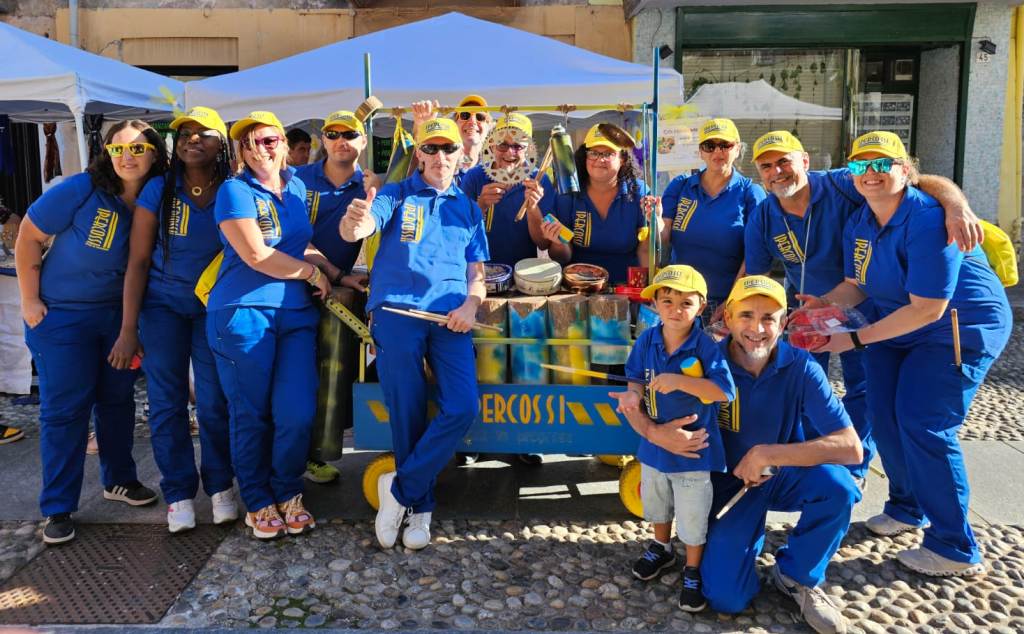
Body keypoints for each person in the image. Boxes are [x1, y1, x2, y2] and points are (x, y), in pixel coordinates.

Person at [806, 131, 1011, 577]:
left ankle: (954, 546)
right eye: (860, 165)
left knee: (924, 424)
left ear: (905, 170)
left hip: (954, 329)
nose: (870, 173)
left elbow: (928, 309)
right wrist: (822, 305)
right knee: (883, 416)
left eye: (882, 163)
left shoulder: (928, 219)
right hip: (893, 323)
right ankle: (906, 507)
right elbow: (856, 285)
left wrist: (853, 340)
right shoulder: (860, 221)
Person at [744, 130, 980, 485]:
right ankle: (815, 460)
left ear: (805, 161)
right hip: (814, 308)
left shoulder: (844, 182)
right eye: (766, 166)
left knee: (865, 389)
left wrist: (956, 204)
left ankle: (853, 466)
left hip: (869, 305)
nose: (776, 171)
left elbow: (915, 181)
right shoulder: (763, 215)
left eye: (784, 161)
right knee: (805, 383)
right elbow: (755, 275)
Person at [340, 117, 488, 551]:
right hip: (397, 312)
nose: (440, 156)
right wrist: (354, 224)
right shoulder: (395, 193)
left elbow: (477, 274)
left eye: (448, 148)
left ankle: (400, 490)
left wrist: (471, 305)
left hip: (450, 317)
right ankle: (420, 506)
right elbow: (362, 227)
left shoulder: (469, 207)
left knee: (462, 406)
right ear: (419, 153)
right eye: (432, 148)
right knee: (406, 409)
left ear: (460, 154)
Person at [16, 120, 167, 545]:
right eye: (118, 150)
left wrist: (132, 325)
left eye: (137, 149)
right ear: (106, 154)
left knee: (117, 401)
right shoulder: (82, 188)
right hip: (62, 317)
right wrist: (29, 300)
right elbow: (29, 236)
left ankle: (119, 480)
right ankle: (58, 505)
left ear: (155, 153)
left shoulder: (159, 195)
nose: (127, 157)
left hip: (118, 318)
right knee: (66, 410)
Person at [701, 275, 863, 634]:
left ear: (784, 322)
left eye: (768, 318)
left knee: (839, 487)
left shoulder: (802, 366)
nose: (757, 329)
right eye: (746, 315)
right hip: (727, 485)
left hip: (784, 473)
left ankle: (797, 576)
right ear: (727, 317)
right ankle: (744, 536)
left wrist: (768, 454)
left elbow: (851, 447)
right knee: (726, 598)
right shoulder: (706, 363)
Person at [109, 106, 237, 533]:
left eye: (203, 133)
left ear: (222, 144)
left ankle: (220, 485)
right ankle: (179, 492)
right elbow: (138, 260)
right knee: (167, 403)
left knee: (215, 401)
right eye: (184, 134)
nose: (192, 140)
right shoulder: (160, 188)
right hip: (162, 308)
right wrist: (129, 328)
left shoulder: (235, 188)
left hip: (213, 309)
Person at [208, 110, 331, 540]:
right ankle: (259, 499)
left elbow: (301, 243)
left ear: (284, 144)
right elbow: (256, 254)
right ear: (241, 151)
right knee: (251, 414)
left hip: (295, 315)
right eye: (251, 142)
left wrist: (333, 271)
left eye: (269, 140)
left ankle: (288, 490)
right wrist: (311, 274)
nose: (261, 148)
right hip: (243, 313)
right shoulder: (234, 190)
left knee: (296, 413)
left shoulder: (295, 187)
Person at [609, 265, 734, 612]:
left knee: (693, 514)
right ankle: (661, 547)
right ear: (655, 304)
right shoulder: (647, 339)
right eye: (667, 301)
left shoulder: (706, 346)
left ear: (701, 306)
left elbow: (725, 391)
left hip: (694, 448)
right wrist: (632, 396)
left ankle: (693, 569)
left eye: (685, 303)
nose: (675, 310)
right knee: (656, 501)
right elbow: (635, 378)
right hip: (654, 446)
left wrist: (680, 381)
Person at [294, 110, 374, 485]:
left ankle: (316, 455)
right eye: (333, 133)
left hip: (337, 297)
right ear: (323, 140)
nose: (341, 140)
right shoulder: (297, 179)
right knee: (295, 376)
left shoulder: (369, 186)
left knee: (334, 375)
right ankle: (283, 457)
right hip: (293, 288)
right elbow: (292, 237)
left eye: (350, 134)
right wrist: (334, 274)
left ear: (363, 141)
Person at [659, 119, 765, 311]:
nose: (717, 151)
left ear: (737, 149)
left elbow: (755, 255)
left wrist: (732, 302)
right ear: (700, 151)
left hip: (724, 302)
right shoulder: (681, 186)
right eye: (709, 146)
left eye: (725, 145)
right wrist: (654, 218)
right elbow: (663, 238)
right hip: (679, 301)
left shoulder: (750, 192)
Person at [547, 124, 659, 284]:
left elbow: (645, 250)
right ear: (585, 157)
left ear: (622, 159)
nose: (600, 159)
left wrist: (649, 288)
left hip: (625, 286)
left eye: (608, 154)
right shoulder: (567, 193)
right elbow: (561, 257)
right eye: (594, 153)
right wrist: (559, 243)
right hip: (579, 287)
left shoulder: (638, 192)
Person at [460, 113, 554, 267]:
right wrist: (481, 205)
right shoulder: (473, 177)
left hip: (521, 271)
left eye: (518, 146)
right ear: (492, 145)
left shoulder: (539, 181)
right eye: (502, 144)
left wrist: (532, 208)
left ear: (529, 148)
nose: (510, 152)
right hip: (477, 269)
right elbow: (458, 233)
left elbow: (543, 244)